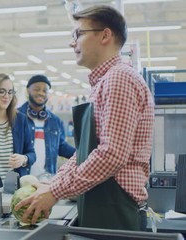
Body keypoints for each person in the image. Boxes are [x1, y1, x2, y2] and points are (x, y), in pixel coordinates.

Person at [15, 5, 154, 231]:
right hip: (106, 204)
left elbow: (111, 155)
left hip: (115, 209)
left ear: (105, 35)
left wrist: (55, 192)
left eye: (78, 34)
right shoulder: (105, 82)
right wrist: (53, 184)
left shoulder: (118, 80)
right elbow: (85, 154)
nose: (73, 42)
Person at [18, 75, 75, 180]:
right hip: (21, 179)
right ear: (27, 90)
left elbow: (61, 147)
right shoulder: (16, 116)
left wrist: (82, 154)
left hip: (47, 181)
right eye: (37, 89)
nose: (41, 93)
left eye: (45, 90)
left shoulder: (55, 120)